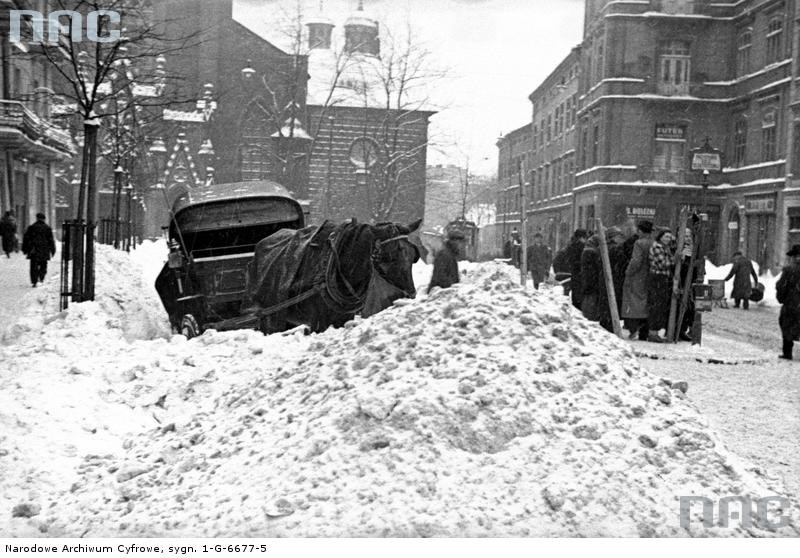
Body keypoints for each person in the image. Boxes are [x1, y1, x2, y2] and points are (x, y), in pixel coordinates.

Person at [621, 220, 654, 340]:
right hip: (649, 276)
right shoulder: (653, 242)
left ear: (640, 231)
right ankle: (644, 330)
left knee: (633, 303)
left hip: (637, 277)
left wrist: (628, 272)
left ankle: (633, 328)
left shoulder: (639, 243)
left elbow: (636, 261)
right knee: (645, 303)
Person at [646, 229, 676, 342]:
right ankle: (652, 332)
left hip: (662, 278)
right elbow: (662, 264)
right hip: (657, 278)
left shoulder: (665, 248)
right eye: (666, 237)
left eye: (669, 237)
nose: (668, 239)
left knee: (660, 305)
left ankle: (655, 331)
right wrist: (675, 260)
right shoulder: (657, 247)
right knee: (656, 305)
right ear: (660, 237)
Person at [776, 244, 800, 360]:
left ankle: (787, 353)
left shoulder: (789, 270)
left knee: (786, 325)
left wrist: (781, 298)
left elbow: (781, 286)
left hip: (792, 304)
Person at [22, 212, 56, 287]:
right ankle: (41, 277)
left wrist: (25, 249)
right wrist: (53, 250)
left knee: (33, 265)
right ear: (44, 219)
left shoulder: (31, 227)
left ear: (37, 218)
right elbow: (51, 240)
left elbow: (26, 239)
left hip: (34, 250)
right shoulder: (47, 228)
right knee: (43, 265)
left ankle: (34, 281)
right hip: (44, 250)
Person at [427, 229, 465, 294]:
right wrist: (452, 288)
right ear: (453, 241)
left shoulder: (451, 255)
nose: (461, 245)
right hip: (439, 295)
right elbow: (440, 277)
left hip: (444, 294)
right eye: (459, 242)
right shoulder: (444, 255)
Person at [563, 229, 588, 309]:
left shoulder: (570, 245)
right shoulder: (582, 246)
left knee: (575, 293)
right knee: (580, 294)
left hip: (574, 273)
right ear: (582, 237)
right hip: (581, 273)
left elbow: (568, 259)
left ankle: (576, 307)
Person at [580, 234, 602, 322]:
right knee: (591, 299)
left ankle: (587, 315)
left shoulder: (586, 250)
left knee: (588, 297)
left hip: (587, 278)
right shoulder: (592, 252)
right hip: (592, 279)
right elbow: (596, 266)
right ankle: (590, 317)